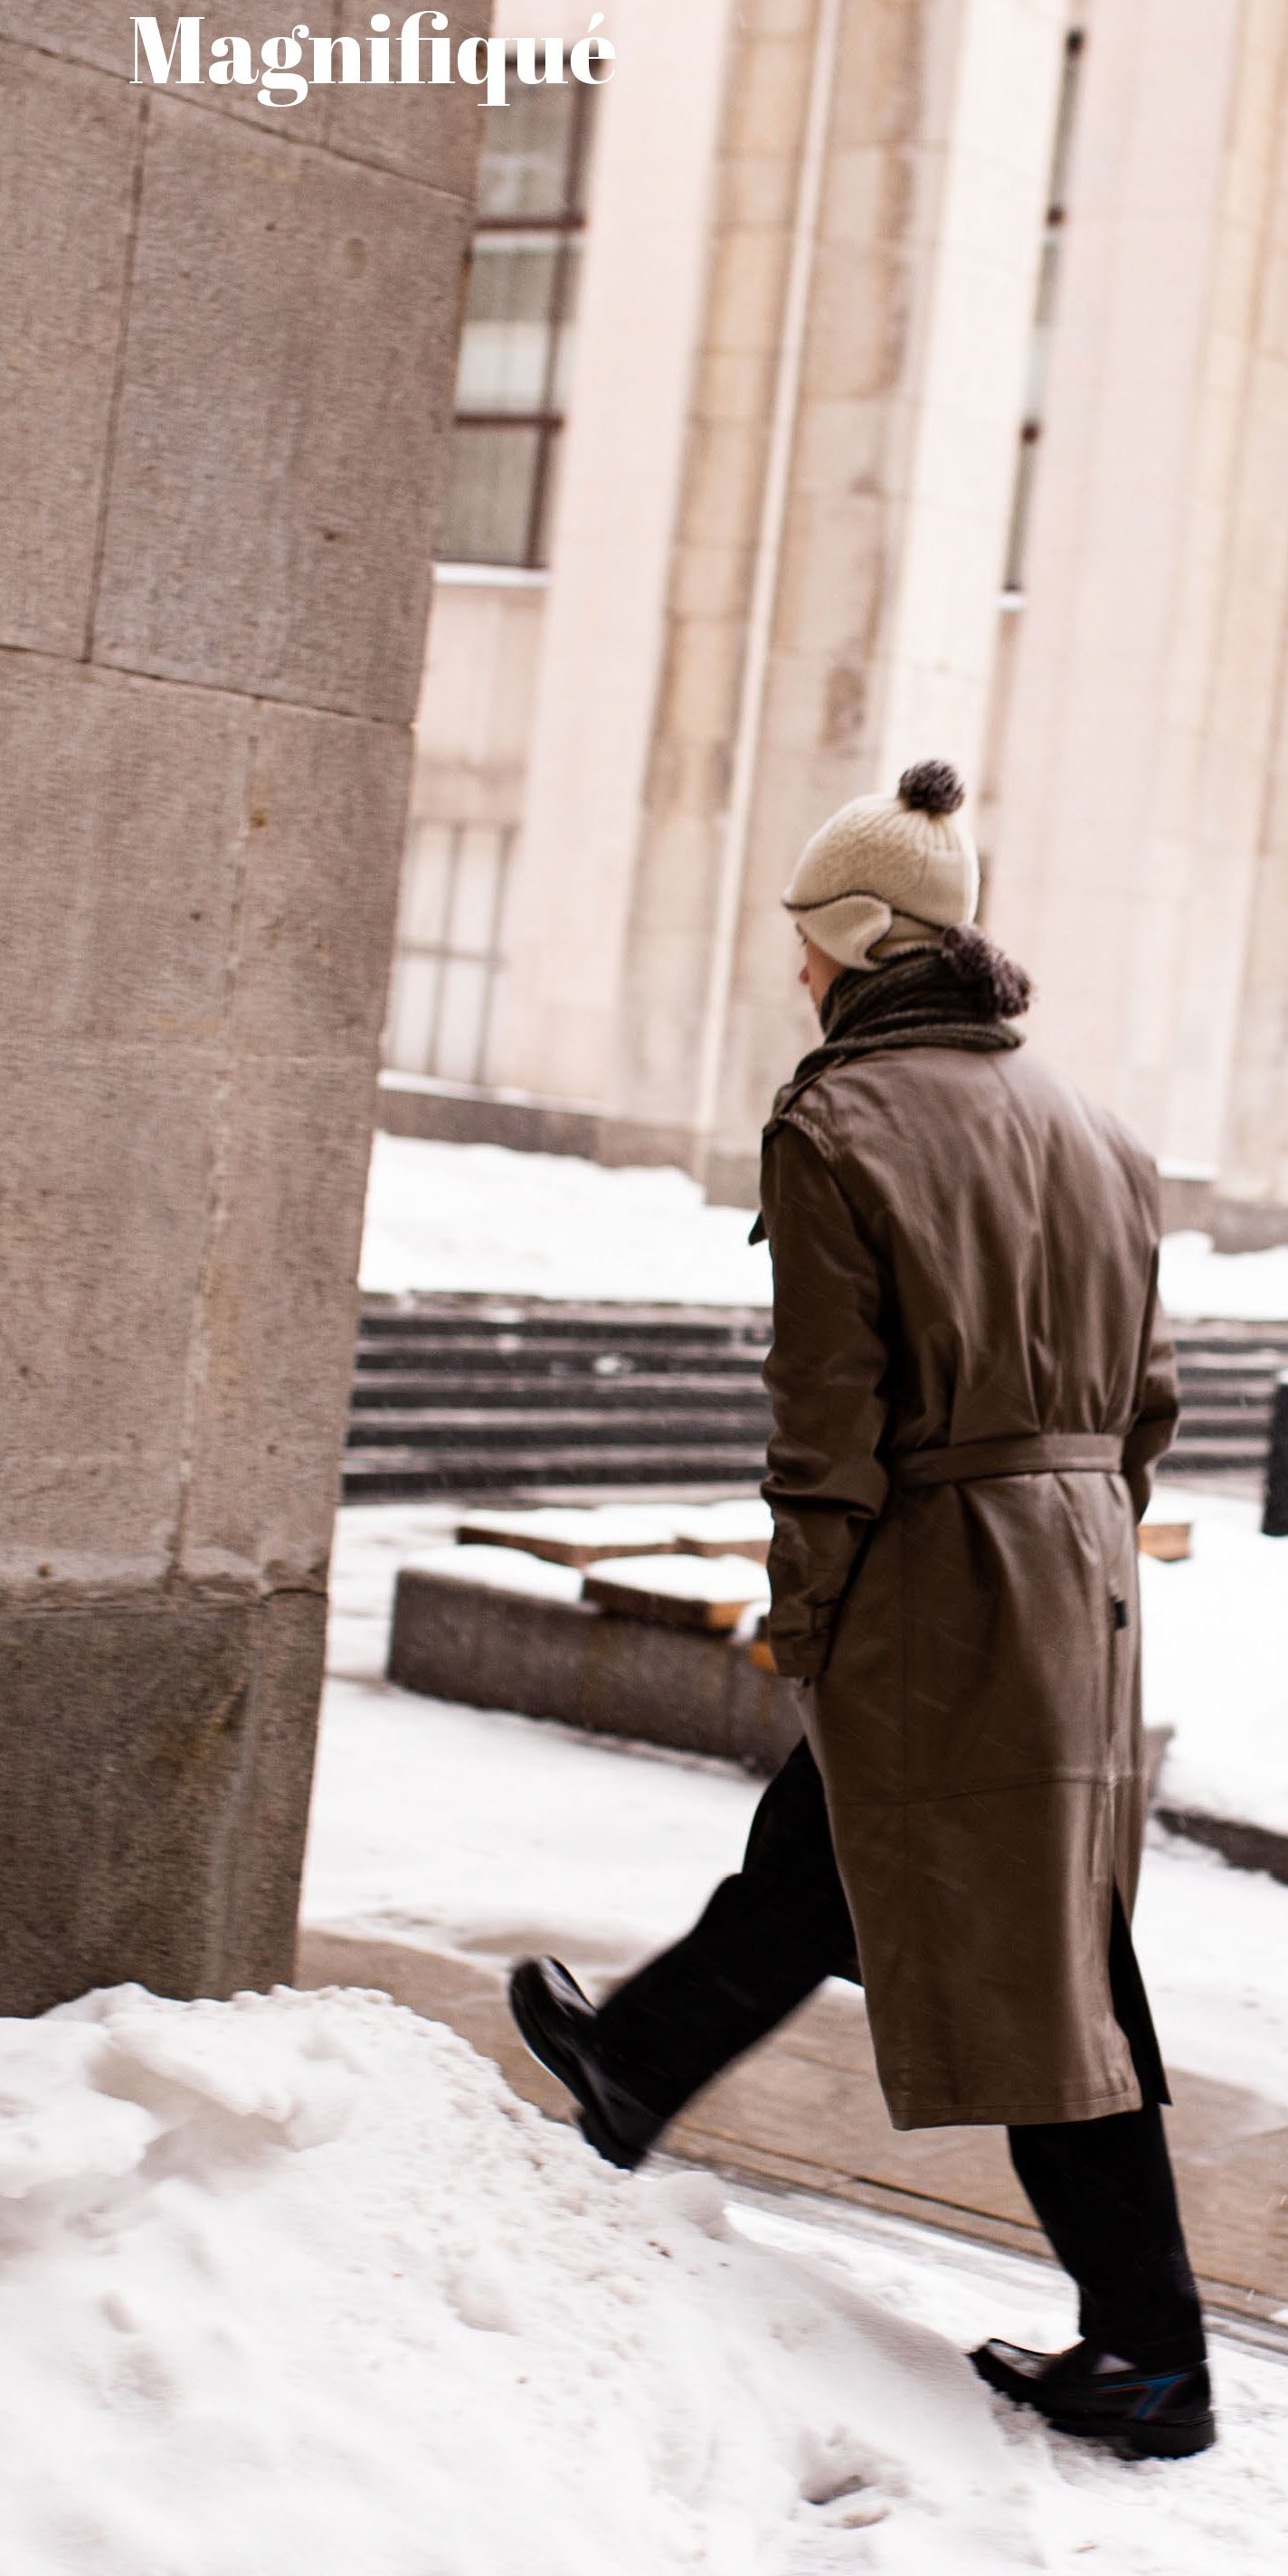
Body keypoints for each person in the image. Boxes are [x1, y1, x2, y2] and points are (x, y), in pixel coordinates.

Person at [508, 760, 1213, 2461]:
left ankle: (1155, 2357)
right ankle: (638, 2066)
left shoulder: (837, 1123)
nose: (793, 980)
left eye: (801, 946)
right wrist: (1071, 1543)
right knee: (844, 1860)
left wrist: (810, 1617)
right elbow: (1154, 1403)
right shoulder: (1093, 1132)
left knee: (1043, 1970)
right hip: (1075, 1586)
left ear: (854, 941)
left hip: (934, 1571)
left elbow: (824, 1422)